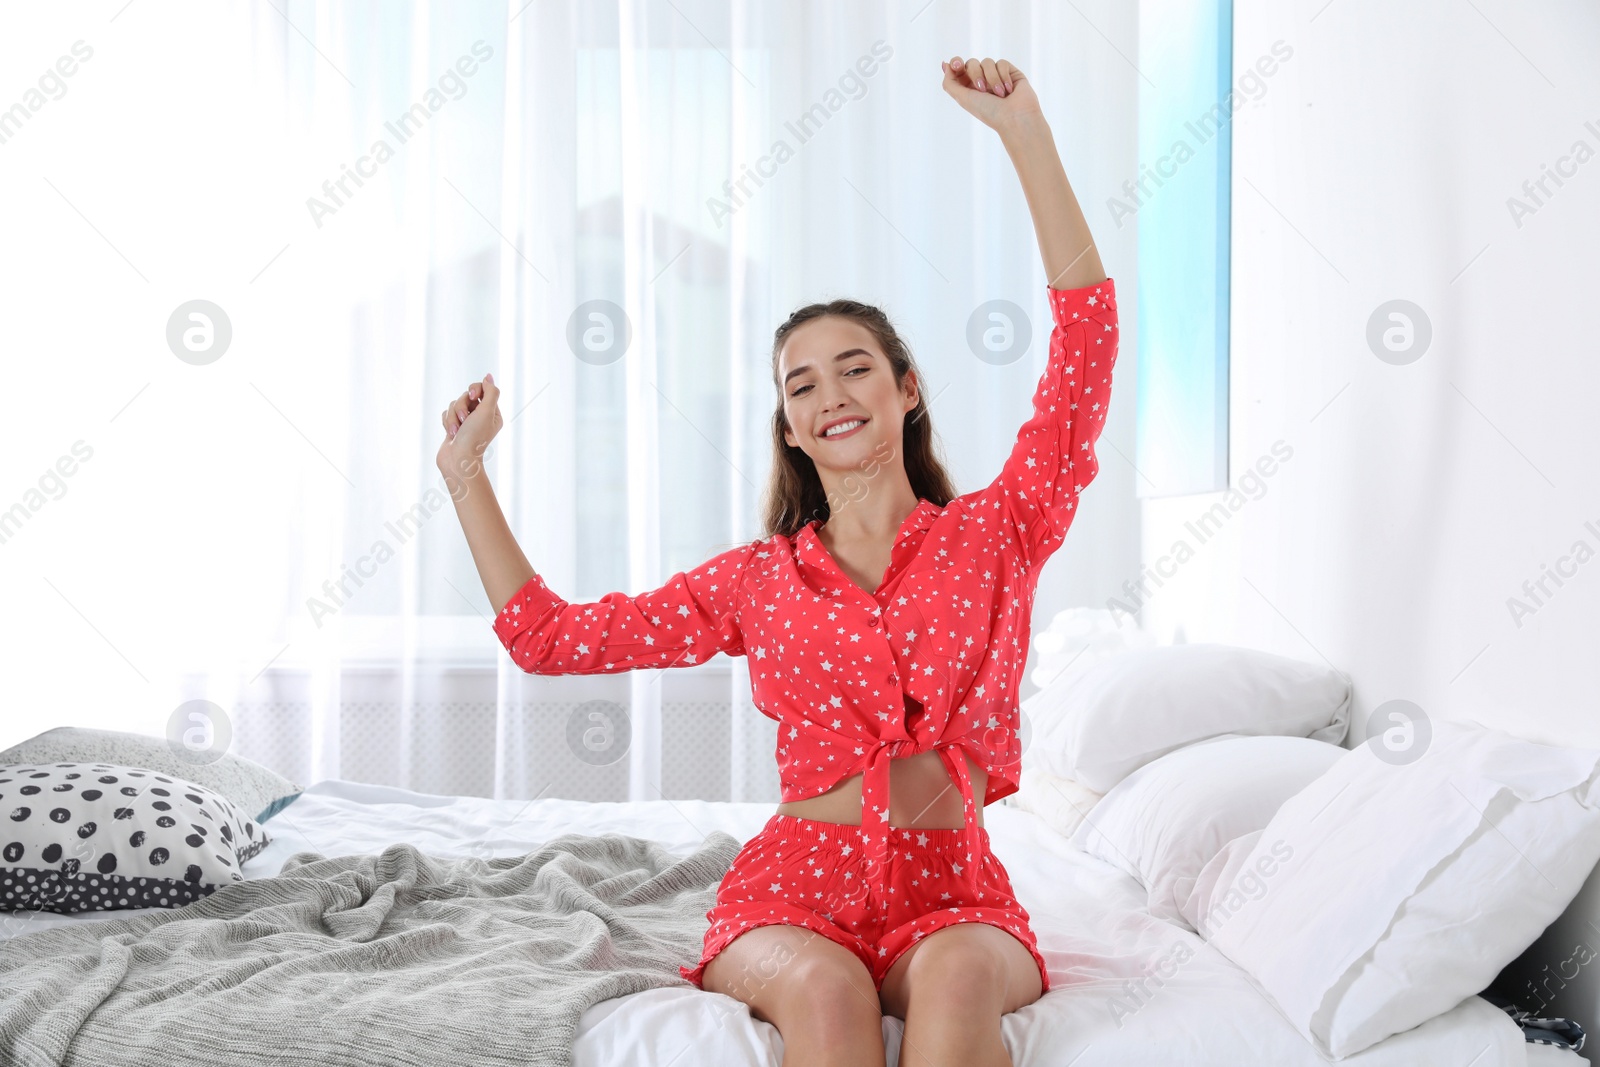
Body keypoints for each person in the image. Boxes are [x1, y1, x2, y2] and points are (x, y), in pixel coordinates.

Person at [438, 53, 1116, 1067]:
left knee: (960, 976)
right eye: (801, 384)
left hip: (955, 886)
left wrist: (1024, 136)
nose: (831, 393)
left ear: (907, 389)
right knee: (829, 997)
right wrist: (465, 475)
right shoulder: (755, 582)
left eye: (855, 368)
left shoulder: (997, 531)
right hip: (798, 888)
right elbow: (547, 637)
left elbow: (1085, 342)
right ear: (790, 426)